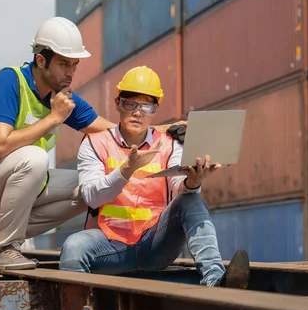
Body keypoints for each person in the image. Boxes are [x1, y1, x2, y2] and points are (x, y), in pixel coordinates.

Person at [0, 17, 181, 271]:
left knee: (87, 190)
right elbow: (0, 146)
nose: (70, 72)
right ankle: (5, 249)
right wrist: (55, 117)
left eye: (74, 65)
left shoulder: (64, 97)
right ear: (41, 60)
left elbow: (111, 129)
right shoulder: (10, 82)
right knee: (35, 157)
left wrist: (168, 129)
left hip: (10, 187)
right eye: (64, 64)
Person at [58, 66, 250, 289]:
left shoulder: (169, 143)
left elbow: (180, 187)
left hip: (156, 244)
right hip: (109, 245)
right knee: (73, 248)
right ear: (118, 103)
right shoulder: (95, 143)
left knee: (191, 199)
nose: (138, 112)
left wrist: (193, 182)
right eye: (131, 104)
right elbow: (91, 197)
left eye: (147, 106)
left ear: (155, 109)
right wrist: (126, 170)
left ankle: (215, 280)